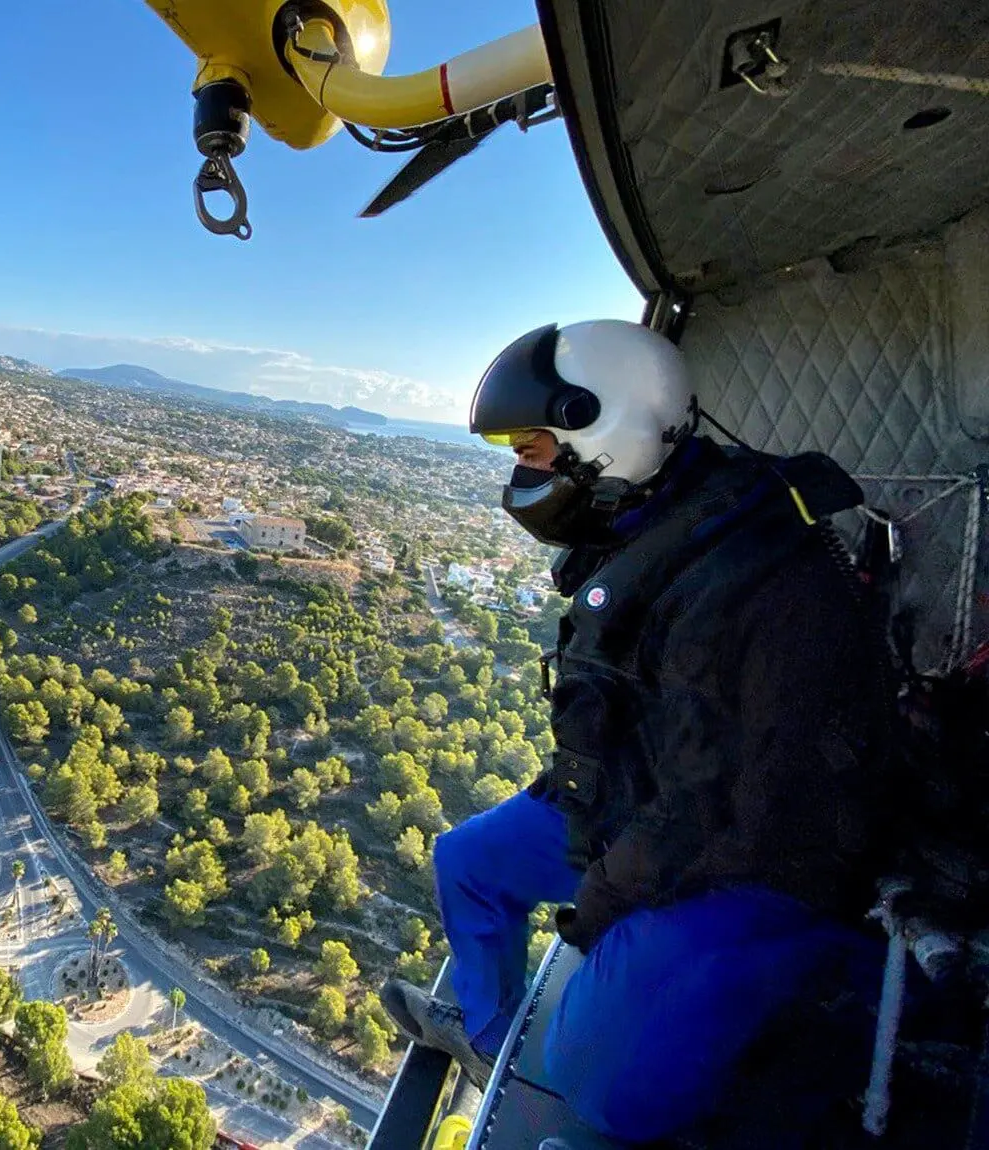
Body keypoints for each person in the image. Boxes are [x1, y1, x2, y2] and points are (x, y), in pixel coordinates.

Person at [379, 319, 897, 1144]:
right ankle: (491, 1043)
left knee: (593, 1082)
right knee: (468, 864)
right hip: (651, 806)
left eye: (532, 449)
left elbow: (715, 808)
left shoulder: (747, 577)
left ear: (606, 435)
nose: (522, 471)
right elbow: (637, 722)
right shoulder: (659, 523)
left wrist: (602, 905)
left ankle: (825, 990)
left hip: (757, 859)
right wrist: (577, 801)